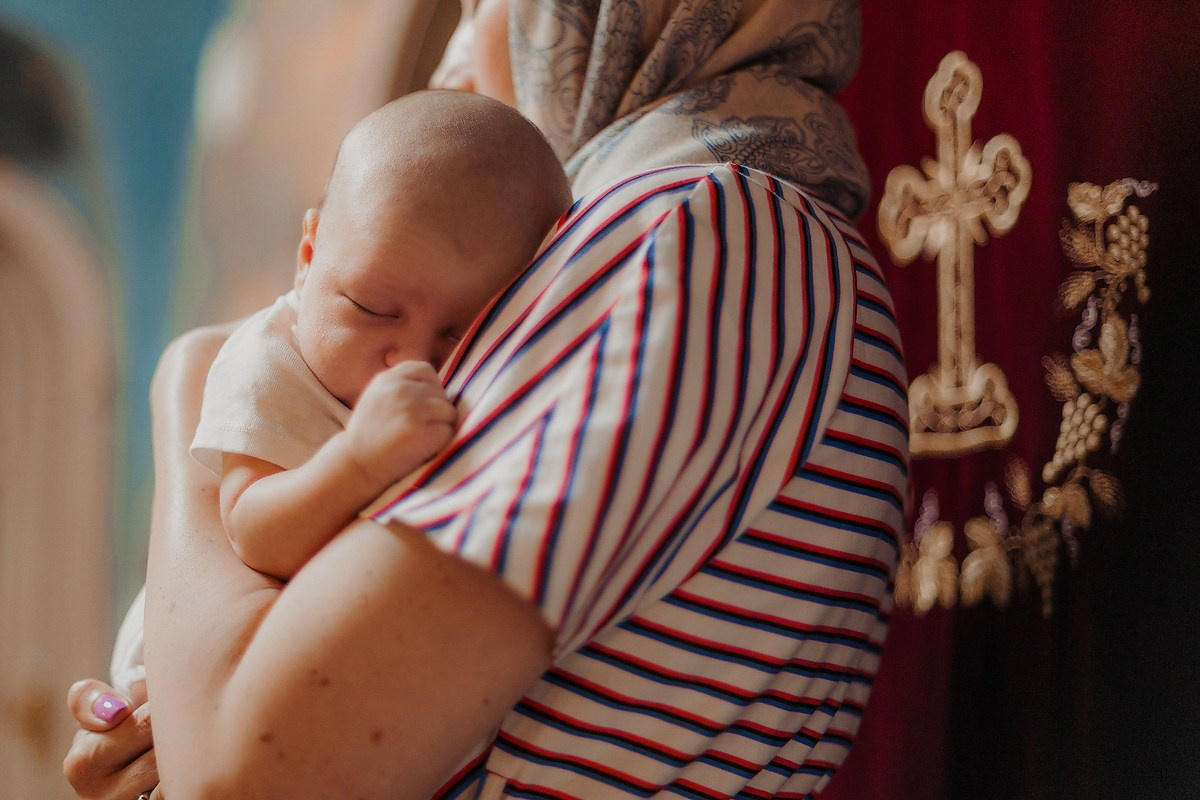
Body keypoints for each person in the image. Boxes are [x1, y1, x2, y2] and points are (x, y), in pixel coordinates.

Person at [65, 1, 907, 798]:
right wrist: (167, 720)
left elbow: (244, 776)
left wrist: (191, 385)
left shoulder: (693, 228)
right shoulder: (723, 232)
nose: (459, 52)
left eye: (487, 2)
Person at [105, 87, 573, 698]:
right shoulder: (270, 363)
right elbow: (254, 531)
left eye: (463, 333)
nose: (412, 358)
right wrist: (358, 461)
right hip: (177, 681)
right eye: (371, 308)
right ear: (308, 256)